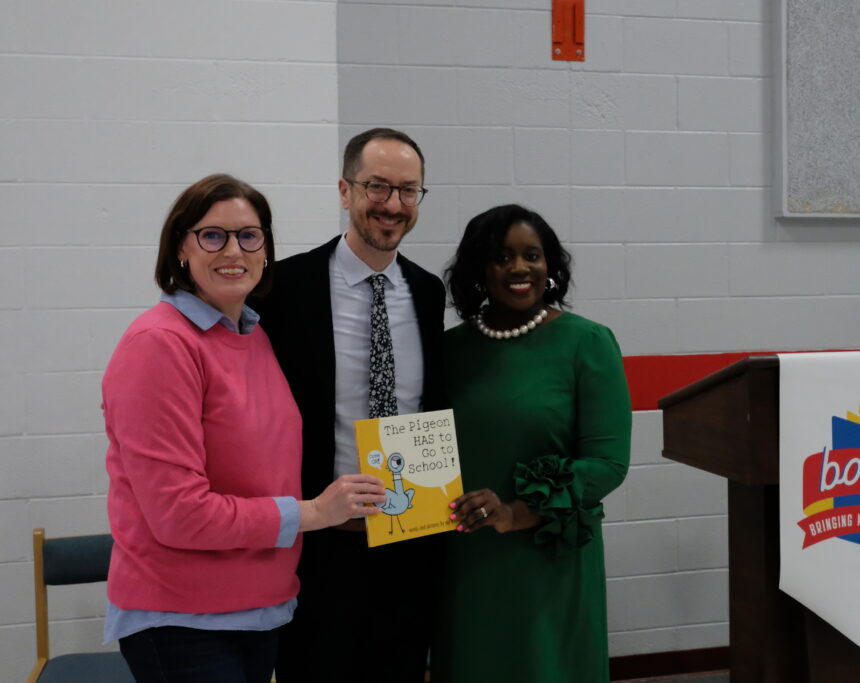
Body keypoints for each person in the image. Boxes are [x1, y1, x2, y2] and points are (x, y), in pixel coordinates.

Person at [102, 174, 387, 683]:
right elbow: (179, 515)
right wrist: (316, 512)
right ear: (181, 248)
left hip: (261, 609)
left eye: (249, 235)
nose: (233, 250)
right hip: (183, 619)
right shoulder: (160, 345)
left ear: (266, 250)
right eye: (212, 235)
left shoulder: (252, 336)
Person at [250, 129, 446, 682]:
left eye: (408, 191)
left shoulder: (428, 291)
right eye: (377, 186)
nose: (393, 204)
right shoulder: (286, 286)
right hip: (319, 544)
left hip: (409, 537)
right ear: (344, 190)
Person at [434, 204, 632, 683]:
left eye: (532, 255)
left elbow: (608, 463)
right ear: (480, 270)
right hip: (467, 554)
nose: (520, 268)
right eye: (502, 257)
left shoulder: (587, 342)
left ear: (550, 265)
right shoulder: (450, 349)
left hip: (548, 554)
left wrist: (516, 511)